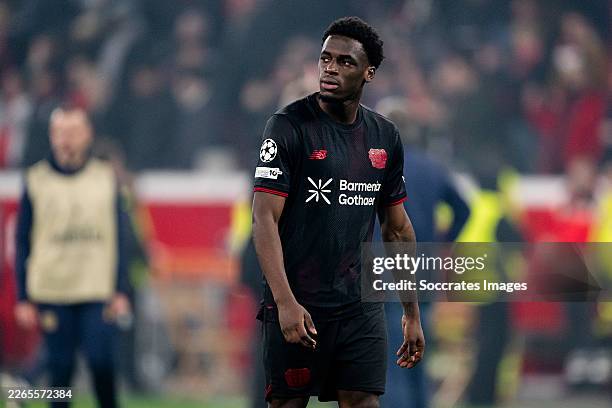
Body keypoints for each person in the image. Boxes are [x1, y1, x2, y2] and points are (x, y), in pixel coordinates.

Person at [251, 17, 425, 408]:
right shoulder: (287, 127)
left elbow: (397, 230)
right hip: (298, 301)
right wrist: (285, 302)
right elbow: (264, 219)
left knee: (364, 402)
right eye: (325, 58)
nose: (330, 68)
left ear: (369, 73)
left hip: (359, 307)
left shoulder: (385, 137)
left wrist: (411, 313)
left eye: (345, 62)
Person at [14, 106, 130, 408]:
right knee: (59, 370)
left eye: (74, 131)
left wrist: (121, 289)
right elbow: (22, 240)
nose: (67, 139)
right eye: (61, 132)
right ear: (52, 136)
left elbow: (121, 237)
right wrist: (23, 296)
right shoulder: (36, 180)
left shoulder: (105, 178)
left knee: (101, 361)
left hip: (96, 290)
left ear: (88, 135)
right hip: (54, 290)